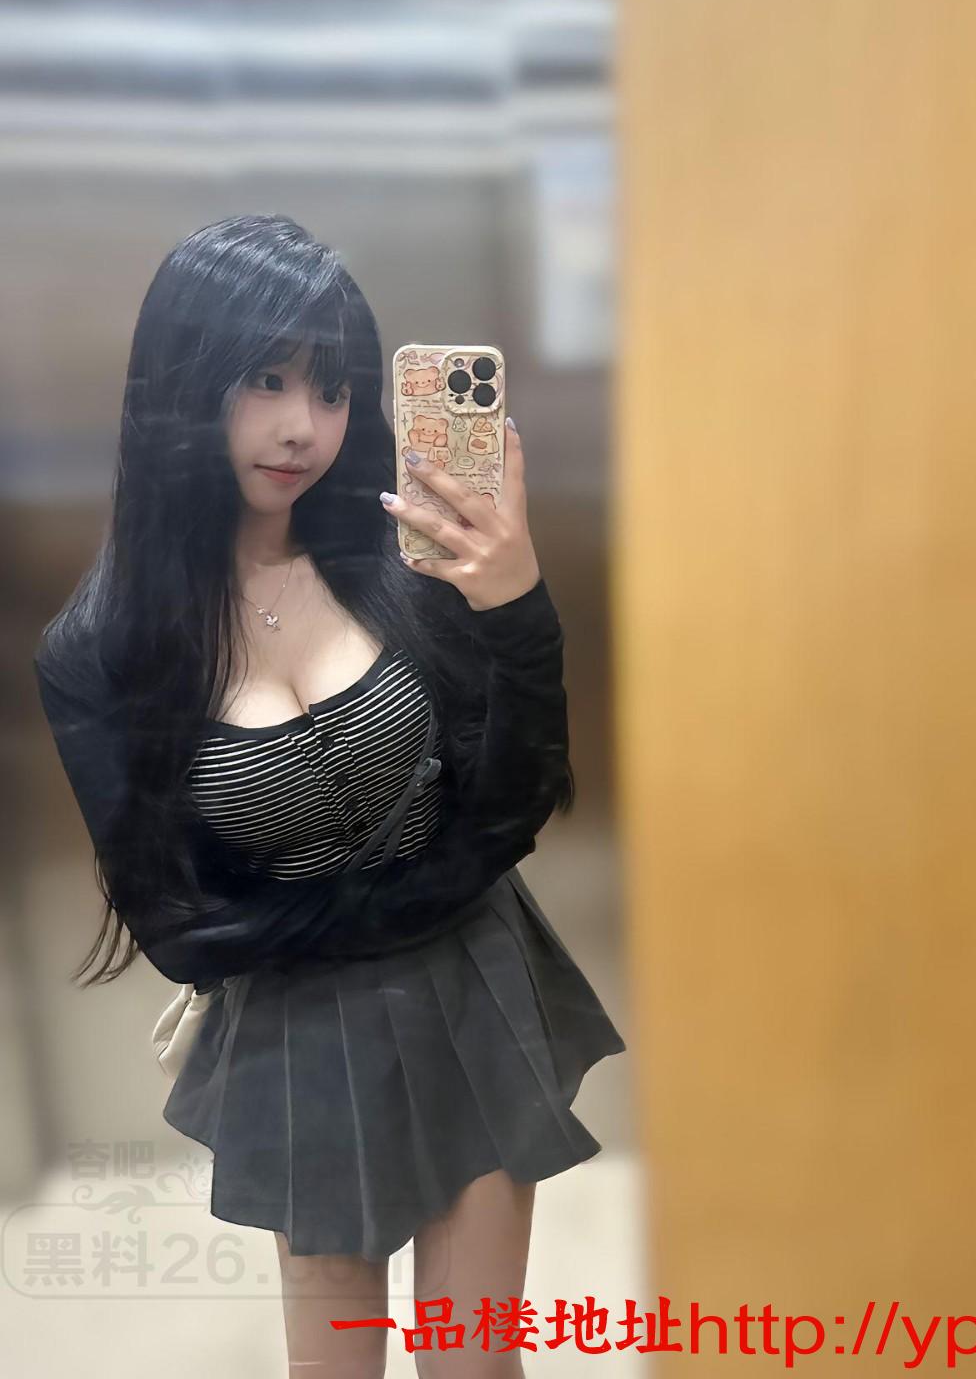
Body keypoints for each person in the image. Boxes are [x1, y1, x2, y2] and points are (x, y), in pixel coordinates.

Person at [33, 213, 626, 1379]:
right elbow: (182, 927)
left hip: (470, 987)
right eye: (264, 380)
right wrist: (411, 892)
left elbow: (523, 793)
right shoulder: (101, 652)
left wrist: (515, 601)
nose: (303, 425)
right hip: (297, 1030)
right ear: (183, 381)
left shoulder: (405, 558)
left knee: (471, 1365)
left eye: (334, 387)